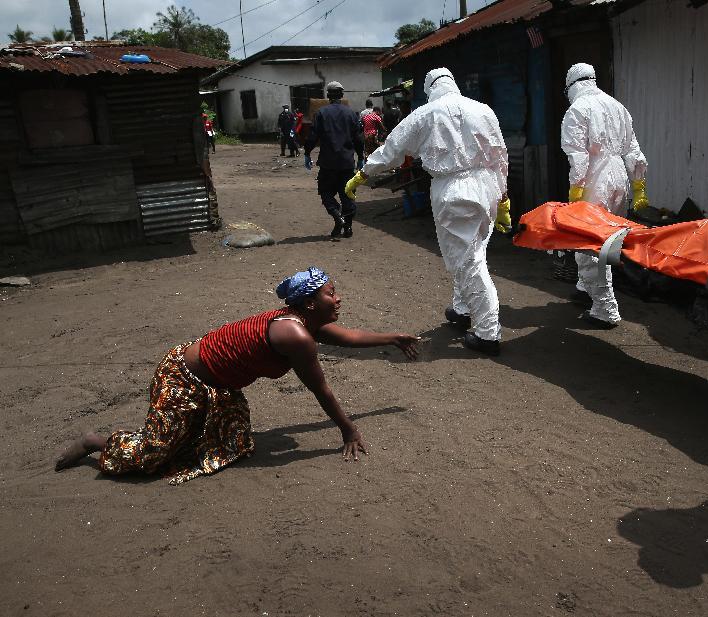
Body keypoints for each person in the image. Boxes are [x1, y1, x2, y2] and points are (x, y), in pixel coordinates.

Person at [54, 267, 420, 484]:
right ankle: (95, 441)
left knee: (231, 445)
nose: (338, 299)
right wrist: (349, 429)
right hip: (184, 379)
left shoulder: (301, 322)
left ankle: (191, 430)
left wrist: (393, 337)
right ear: (310, 303)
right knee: (151, 456)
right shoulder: (295, 335)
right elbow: (319, 388)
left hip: (218, 385)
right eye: (330, 294)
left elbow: (350, 338)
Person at [344, 68, 511, 356]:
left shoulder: (426, 114)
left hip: (454, 191)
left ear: (429, 88)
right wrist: (504, 198)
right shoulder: (483, 110)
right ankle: (462, 309)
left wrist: (363, 173)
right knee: (473, 252)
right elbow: (501, 155)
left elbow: (392, 149)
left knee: (467, 261)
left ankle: (487, 332)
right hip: (487, 188)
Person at [561, 62, 649, 329]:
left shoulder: (577, 110)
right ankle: (584, 289)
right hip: (619, 176)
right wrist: (639, 187)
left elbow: (578, 157)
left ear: (572, 85)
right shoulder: (618, 107)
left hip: (594, 179)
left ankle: (605, 309)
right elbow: (634, 151)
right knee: (609, 239)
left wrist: (576, 191)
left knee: (589, 244)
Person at [304, 82, 365, 239]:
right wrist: (360, 158)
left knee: (325, 191)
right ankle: (348, 227)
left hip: (328, 163)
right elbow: (359, 138)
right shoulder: (352, 114)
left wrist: (307, 153)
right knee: (347, 193)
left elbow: (312, 136)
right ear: (341, 95)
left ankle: (337, 216)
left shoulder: (321, 113)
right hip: (346, 162)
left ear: (328, 96)